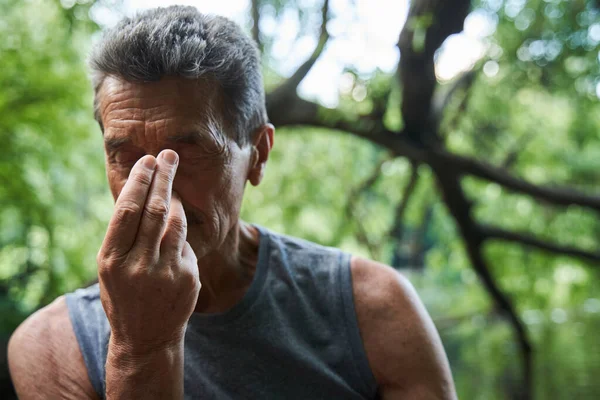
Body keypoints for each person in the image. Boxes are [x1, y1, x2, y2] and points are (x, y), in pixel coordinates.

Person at [7, 6, 457, 399]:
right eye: (125, 158)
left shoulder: (372, 311)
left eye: (188, 153)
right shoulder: (54, 346)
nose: (157, 191)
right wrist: (140, 349)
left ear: (257, 155)